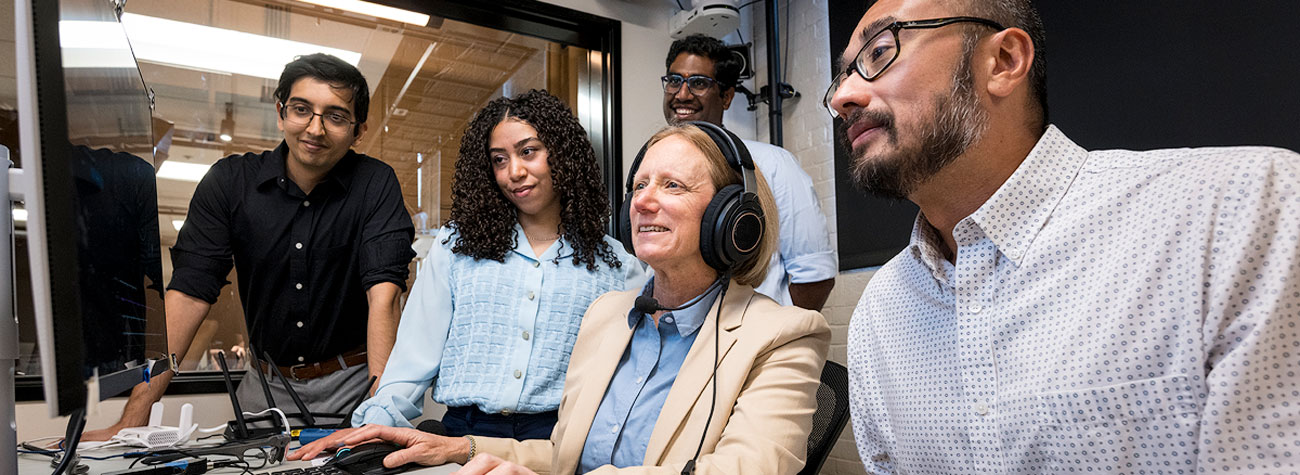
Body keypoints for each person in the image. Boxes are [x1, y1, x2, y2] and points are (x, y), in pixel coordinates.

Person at [826, 0, 1300, 473]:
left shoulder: (1242, 209)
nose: (841, 97)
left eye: (878, 52)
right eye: (843, 75)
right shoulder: (881, 313)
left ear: (1005, 61)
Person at [292, 123, 830, 474]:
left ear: (735, 220)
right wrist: (461, 448)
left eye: (672, 186)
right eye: (639, 185)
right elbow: (562, 455)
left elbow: (749, 469)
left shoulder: (785, 335)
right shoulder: (609, 317)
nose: (643, 201)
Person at [84, 53, 415, 439]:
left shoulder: (375, 184)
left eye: (336, 116)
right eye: (301, 109)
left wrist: (379, 415)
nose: (315, 128)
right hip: (265, 388)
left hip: (354, 386)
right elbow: (188, 295)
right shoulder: (230, 183)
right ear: (280, 112)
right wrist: (132, 418)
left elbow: (384, 298)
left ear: (358, 131)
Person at [325, 89, 645, 440]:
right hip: (463, 432)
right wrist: (369, 430)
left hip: (562, 439)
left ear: (562, 154)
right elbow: (412, 360)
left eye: (528, 152)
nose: (514, 172)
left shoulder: (617, 266)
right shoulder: (456, 247)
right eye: (499, 159)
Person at [663, 34, 837, 310]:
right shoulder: (658, 172)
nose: (682, 94)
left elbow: (815, 276)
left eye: (698, 83)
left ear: (727, 96)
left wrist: (776, 339)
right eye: (674, 81)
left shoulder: (774, 165)